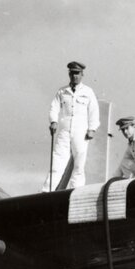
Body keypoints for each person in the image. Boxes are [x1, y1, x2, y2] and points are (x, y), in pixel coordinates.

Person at [42, 61, 100, 191]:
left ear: (82, 74)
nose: (75, 76)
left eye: (77, 73)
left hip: (81, 132)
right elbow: (54, 107)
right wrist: (53, 121)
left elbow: (94, 111)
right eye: (72, 73)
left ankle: (76, 191)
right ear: (69, 74)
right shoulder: (62, 91)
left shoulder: (88, 92)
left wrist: (92, 129)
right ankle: (47, 190)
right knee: (57, 161)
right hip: (64, 130)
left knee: (79, 163)